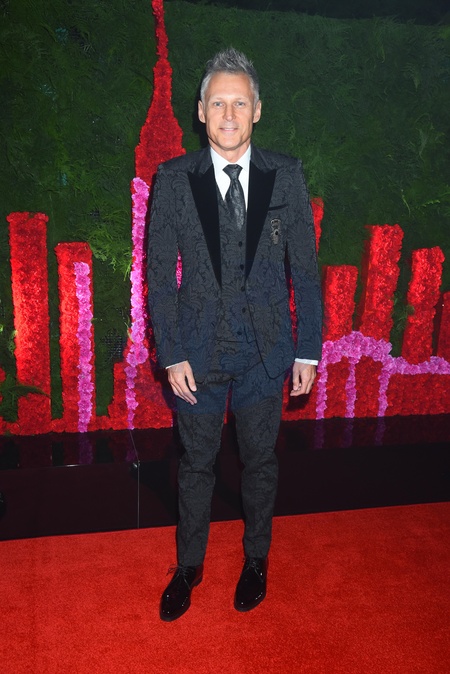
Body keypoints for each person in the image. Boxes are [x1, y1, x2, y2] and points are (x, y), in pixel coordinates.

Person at [147, 48, 322, 621]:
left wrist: (308, 349)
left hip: (264, 354)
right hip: (196, 354)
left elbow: (305, 270)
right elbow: (158, 276)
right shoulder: (173, 179)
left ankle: (256, 560)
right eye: (218, 103)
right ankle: (188, 567)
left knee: (260, 461)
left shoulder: (285, 175)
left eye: (240, 103)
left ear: (258, 110)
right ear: (200, 110)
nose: (229, 114)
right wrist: (171, 352)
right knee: (196, 464)